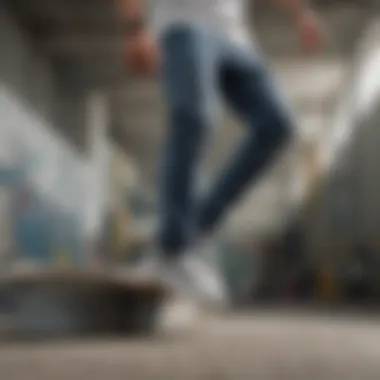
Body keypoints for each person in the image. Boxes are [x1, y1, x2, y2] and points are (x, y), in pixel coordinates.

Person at [119, 0, 323, 306]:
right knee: (194, 115)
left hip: (235, 38)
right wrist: (136, 28)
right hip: (183, 26)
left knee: (277, 124)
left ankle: (197, 228)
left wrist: (301, 13)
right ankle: (171, 249)